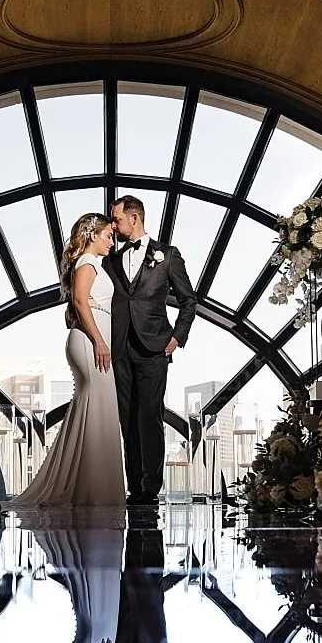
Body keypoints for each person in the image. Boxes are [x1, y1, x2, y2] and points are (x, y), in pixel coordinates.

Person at [10, 213, 126, 507]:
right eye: (108, 236)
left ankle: (87, 486)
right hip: (90, 343)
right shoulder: (86, 263)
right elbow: (78, 301)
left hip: (93, 340)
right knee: (96, 404)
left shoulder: (90, 264)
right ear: (93, 236)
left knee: (94, 407)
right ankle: (89, 490)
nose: (112, 242)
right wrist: (100, 340)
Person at [105, 196, 198, 506]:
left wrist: (177, 338)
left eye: (117, 220)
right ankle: (134, 487)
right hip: (121, 348)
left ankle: (150, 488)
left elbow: (188, 300)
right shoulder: (112, 261)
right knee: (127, 420)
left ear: (135, 218)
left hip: (154, 347)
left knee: (149, 416)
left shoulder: (167, 255)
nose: (113, 226)